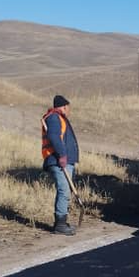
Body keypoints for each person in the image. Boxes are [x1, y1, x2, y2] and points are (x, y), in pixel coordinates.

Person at [42, 95, 80, 236]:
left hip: (63, 161)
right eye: (68, 107)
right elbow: (53, 136)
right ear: (64, 106)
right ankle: (60, 225)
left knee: (65, 191)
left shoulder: (59, 118)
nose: (69, 110)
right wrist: (63, 155)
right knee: (64, 190)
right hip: (58, 161)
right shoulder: (54, 118)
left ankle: (62, 222)